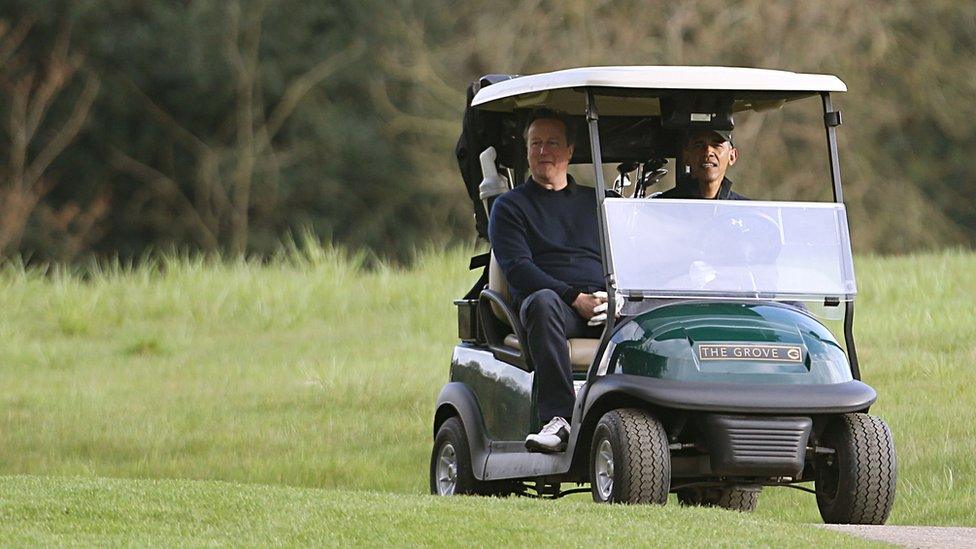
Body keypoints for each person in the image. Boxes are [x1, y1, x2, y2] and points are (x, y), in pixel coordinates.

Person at [487, 109, 605, 453]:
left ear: (570, 151)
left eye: (552, 143)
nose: (542, 151)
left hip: (605, 304)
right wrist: (574, 297)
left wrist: (614, 299)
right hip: (557, 308)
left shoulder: (598, 203)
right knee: (541, 301)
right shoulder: (510, 207)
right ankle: (559, 419)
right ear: (526, 152)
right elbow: (519, 270)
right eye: (535, 144)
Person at [658, 129, 747, 200]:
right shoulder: (661, 208)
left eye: (716, 145)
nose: (708, 152)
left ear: (732, 156)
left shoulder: (745, 212)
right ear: (686, 156)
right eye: (698, 145)